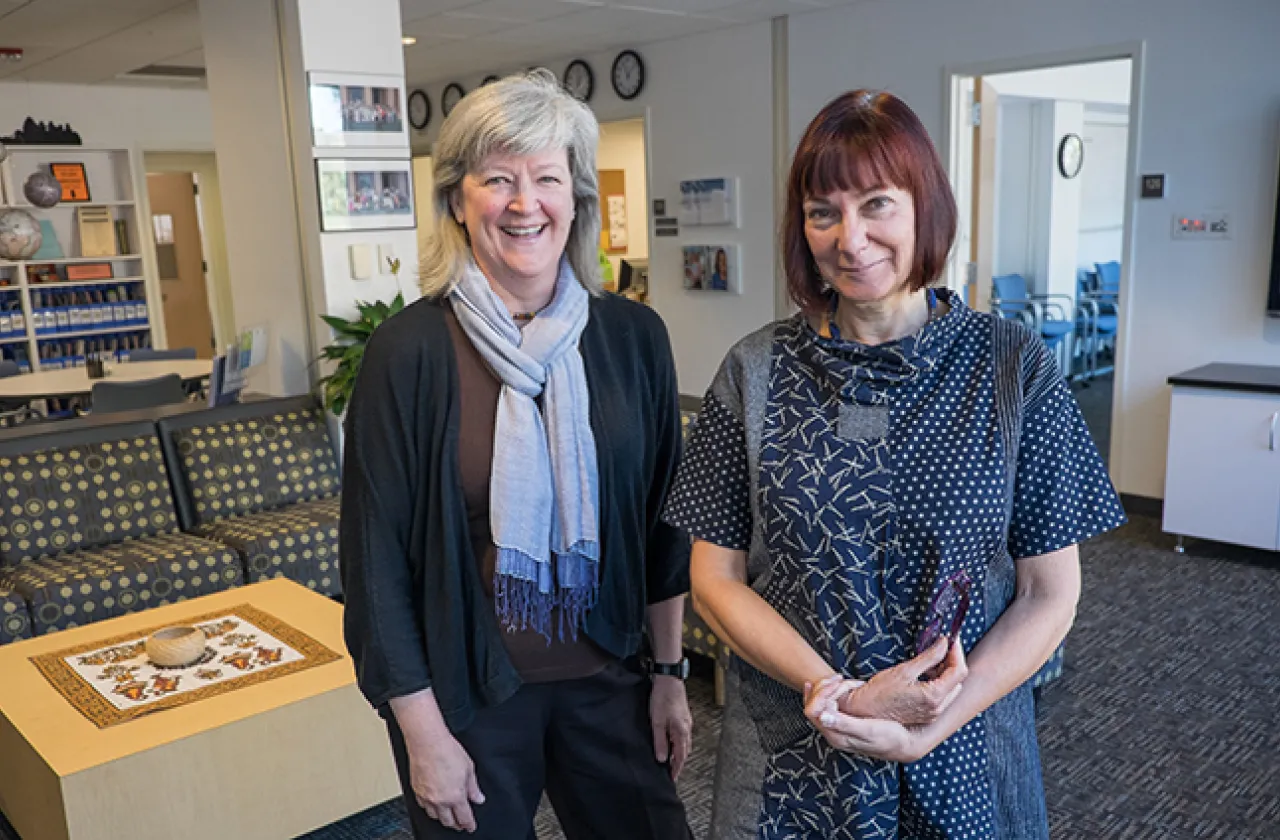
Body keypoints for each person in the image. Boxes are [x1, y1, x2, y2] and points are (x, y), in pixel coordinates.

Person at [662, 89, 1126, 839]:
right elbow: (714, 580)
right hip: (797, 748)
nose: (851, 238)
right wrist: (832, 690)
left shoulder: (1011, 368)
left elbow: (1051, 595)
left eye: (877, 203)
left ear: (925, 209)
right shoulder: (753, 372)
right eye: (823, 212)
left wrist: (928, 726)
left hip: (966, 745)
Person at [341, 70, 694, 840]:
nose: (524, 202)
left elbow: (666, 531)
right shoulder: (408, 353)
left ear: (577, 198)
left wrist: (669, 677)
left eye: (546, 178)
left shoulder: (634, 339)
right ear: (458, 202)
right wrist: (422, 736)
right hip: (465, 701)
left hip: (611, 680)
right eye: (497, 179)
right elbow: (375, 569)